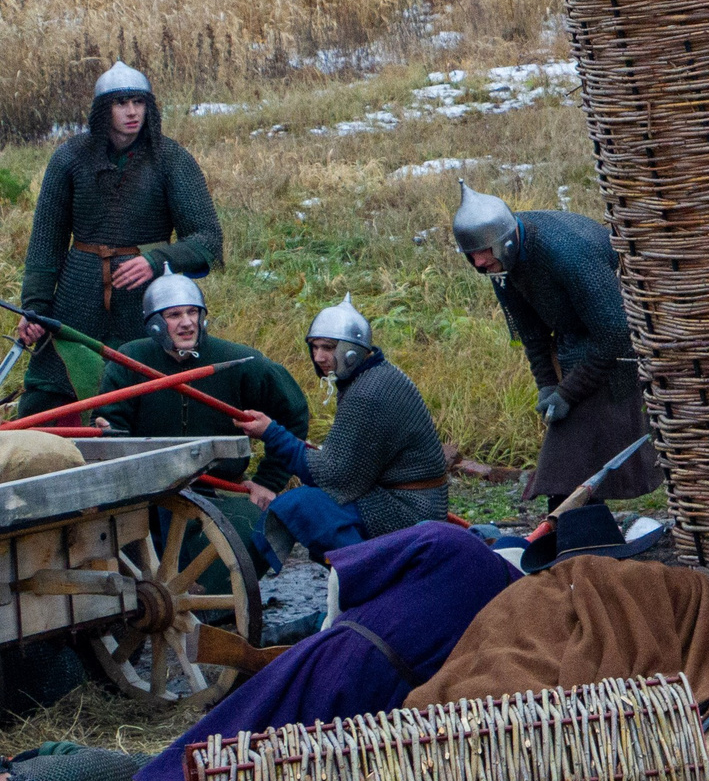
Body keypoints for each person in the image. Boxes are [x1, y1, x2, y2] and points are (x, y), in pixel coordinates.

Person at [14, 523, 516, 781]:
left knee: (209, 759)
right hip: (394, 705)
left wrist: (325, 639)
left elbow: (344, 575)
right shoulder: (516, 603)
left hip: (339, 662)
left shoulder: (450, 540)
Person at [13, 63, 222, 421]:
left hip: (147, 298)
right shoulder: (70, 158)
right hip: (78, 293)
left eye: (139, 103)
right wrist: (35, 307)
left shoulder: (171, 160)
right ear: (102, 110)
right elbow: (46, 244)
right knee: (53, 388)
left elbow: (207, 239)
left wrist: (154, 260)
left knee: (151, 386)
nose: (131, 112)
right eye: (121, 103)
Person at [450, 184, 662, 513]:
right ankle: (582, 534)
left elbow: (615, 334)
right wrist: (547, 384)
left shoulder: (567, 254)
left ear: (502, 239)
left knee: (569, 458)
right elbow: (532, 335)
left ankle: (577, 533)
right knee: (572, 461)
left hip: (622, 343)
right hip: (577, 344)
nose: (479, 261)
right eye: (472, 254)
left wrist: (568, 393)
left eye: (483, 252)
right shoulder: (502, 262)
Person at [100, 270, 309, 571]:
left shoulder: (241, 363)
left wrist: (268, 481)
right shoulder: (130, 360)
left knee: (256, 539)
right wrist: (110, 434)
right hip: (147, 493)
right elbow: (112, 423)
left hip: (219, 490)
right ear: (156, 323)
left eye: (192, 312)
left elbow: (292, 414)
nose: (187, 322)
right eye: (174, 315)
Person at [236, 298, 449, 556]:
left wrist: (272, 434)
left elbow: (333, 478)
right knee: (306, 504)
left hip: (407, 509)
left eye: (328, 347)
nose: (319, 357)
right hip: (400, 496)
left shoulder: (368, 392)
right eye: (314, 347)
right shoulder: (373, 374)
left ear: (352, 349)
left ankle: (365, 572)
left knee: (303, 504)